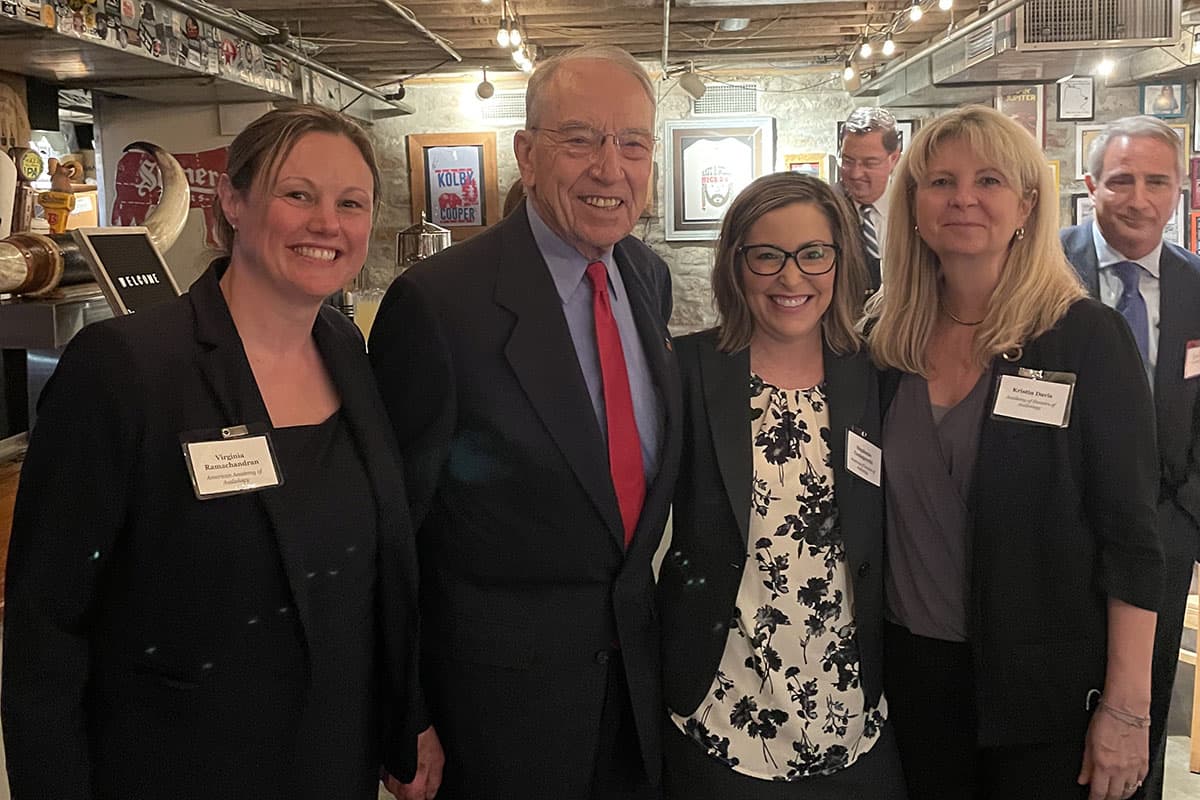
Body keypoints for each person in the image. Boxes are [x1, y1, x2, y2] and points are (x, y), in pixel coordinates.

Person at [1, 105, 427, 800]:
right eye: (297, 194)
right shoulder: (125, 368)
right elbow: (46, 628)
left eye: (351, 203)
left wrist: (406, 716)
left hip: (332, 759)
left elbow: (375, 574)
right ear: (232, 201)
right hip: (177, 765)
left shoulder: (346, 351)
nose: (328, 223)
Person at [369, 45, 680, 800]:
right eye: (580, 139)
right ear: (527, 155)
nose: (610, 167)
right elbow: (391, 532)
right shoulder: (439, 306)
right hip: (495, 716)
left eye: (632, 142)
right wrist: (404, 714)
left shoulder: (647, 276)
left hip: (633, 696)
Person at [866, 105, 1161, 799]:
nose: (963, 198)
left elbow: (1132, 542)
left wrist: (1127, 709)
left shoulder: (1086, 340)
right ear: (912, 205)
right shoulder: (881, 343)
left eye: (989, 180)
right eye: (940, 181)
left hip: (1045, 693)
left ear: (1027, 204)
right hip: (909, 684)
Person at [657, 172, 906, 799]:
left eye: (813, 254)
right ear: (736, 265)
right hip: (719, 709)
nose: (791, 279)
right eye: (767, 255)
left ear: (840, 260)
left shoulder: (875, 374)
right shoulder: (686, 371)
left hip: (850, 710)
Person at [1062, 114, 1200, 800]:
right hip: (1056, 531)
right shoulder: (1040, 272)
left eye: (1157, 182)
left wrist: (1184, 524)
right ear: (1091, 186)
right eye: (1121, 181)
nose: (1139, 199)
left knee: (1141, 701)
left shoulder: (1198, 286)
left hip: (1163, 536)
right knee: (1055, 709)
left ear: (1181, 189)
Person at [838, 106, 901, 291]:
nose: (856, 174)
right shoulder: (826, 208)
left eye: (869, 163)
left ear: (894, 159)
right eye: (847, 161)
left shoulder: (914, 209)